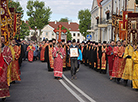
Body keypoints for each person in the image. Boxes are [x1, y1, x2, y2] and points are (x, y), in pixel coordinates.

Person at [0, 36, 12, 101]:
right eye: (0, 39)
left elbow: (10, 57)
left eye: (2, 39)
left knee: (3, 81)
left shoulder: (7, 48)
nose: (1, 40)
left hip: (3, 67)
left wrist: (3, 59)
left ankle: (3, 95)